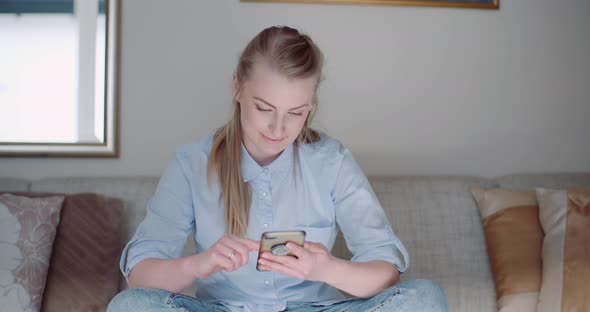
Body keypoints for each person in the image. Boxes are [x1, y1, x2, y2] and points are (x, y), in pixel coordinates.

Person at [108, 25, 448, 312]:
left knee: (426, 299)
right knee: (129, 306)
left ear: (310, 107)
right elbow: (139, 278)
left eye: (296, 112)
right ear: (237, 87)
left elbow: (387, 274)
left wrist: (327, 269)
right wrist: (199, 264)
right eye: (264, 108)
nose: (278, 128)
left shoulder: (332, 161)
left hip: (314, 308)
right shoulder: (191, 163)